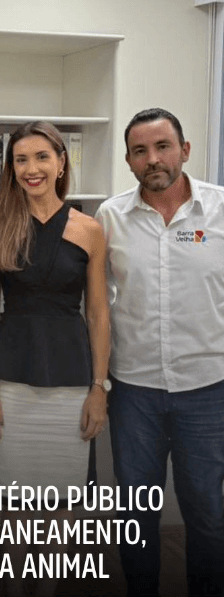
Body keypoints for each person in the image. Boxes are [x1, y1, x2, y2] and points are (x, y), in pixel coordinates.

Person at [96, 108, 224, 597]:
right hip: (135, 392)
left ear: (185, 151)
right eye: (140, 151)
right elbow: (97, 305)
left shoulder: (219, 209)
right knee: (135, 514)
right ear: (129, 160)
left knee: (207, 512)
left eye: (163, 146)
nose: (153, 159)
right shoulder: (110, 217)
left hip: (208, 391)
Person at [0, 121, 109, 597]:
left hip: (72, 377)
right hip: (12, 376)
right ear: (12, 169)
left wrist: (99, 388)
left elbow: (97, 313)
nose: (31, 168)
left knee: (62, 500)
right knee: (15, 500)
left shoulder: (89, 229)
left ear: (61, 162)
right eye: (20, 159)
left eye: (41, 157)